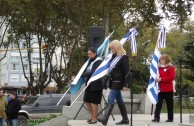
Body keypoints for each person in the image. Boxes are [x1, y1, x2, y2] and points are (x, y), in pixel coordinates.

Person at [98, 40, 130, 125]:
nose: (111, 50)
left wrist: (126, 84)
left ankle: (105, 119)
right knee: (119, 100)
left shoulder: (123, 57)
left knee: (110, 98)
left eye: (112, 48)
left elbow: (127, 72)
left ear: (116, 48)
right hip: (113, 81)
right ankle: (125, 119)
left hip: (119, 82)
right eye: (110, 48)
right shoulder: (113, 56)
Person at [81, 47, 103, 124]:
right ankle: (93, 114)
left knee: (95, 102)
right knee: (86, 100)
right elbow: (85, 69)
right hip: (89, 83)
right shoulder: (89, 61)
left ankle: (94, 118)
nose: (89, 56)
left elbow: (93, 71)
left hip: (96, 84)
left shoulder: (99, 61)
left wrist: (82, 75)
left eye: (91, 54)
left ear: (95, 53)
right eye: (88, 54)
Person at [152, 54, 176, 123]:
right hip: (160, 89)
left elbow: (172, 77)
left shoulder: (171, 67)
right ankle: (156, 117)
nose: (161, 61)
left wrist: (162, 79)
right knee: (158, 104)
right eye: (160, 60)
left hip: (168, 89)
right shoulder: (159, 68)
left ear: (166, 60)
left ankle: (170, 118)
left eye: (163, 60)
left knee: (169, 104)